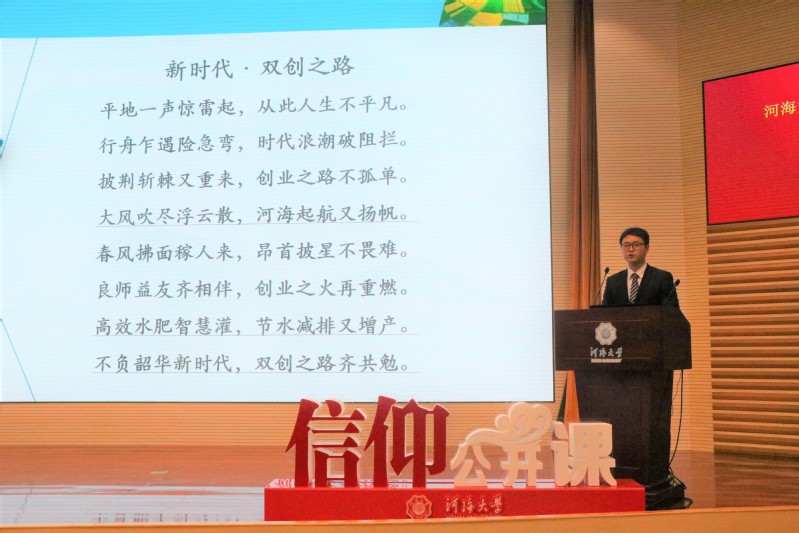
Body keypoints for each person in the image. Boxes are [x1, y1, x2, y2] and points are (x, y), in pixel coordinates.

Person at [601, 227, 679, 307]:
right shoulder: (613, 281)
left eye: (636, 245)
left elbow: (672, 311)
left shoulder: (662, 278)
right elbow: (605, 312)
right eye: (626, 245)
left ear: (647, 248)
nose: (630, 249)